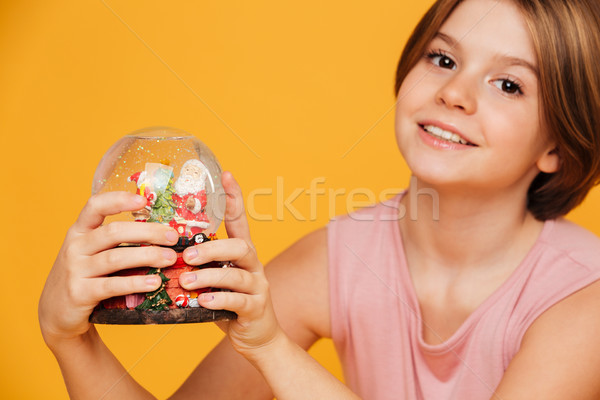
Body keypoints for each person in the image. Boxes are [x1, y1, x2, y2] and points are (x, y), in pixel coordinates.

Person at [38, 0, 600, 398]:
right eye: (443, 59)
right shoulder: (338, 258)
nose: (453, 93)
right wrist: (71, 340)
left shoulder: (583, 299)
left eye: (508, 84)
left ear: (557, 143)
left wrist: (271, 348)